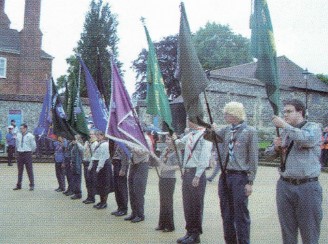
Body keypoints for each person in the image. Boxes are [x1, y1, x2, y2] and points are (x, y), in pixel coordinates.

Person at [267, 99, 322, 244]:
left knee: (309, 231)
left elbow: (307, 140)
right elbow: (268, 154)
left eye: (289, 111)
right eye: (284, 112)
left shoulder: (313, 128)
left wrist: (284, 125)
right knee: (288, 230)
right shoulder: (285, 131)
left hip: (307, 186)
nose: (285, 114)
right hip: (285, 185)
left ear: (300, 112)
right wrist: (276, 147)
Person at [205, 101, 258, 244]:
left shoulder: (250, 131)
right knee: (226, 212)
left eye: (227, 113)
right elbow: (210, 138)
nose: (224, 115)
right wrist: (210, 129)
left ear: (235, 114)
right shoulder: (226, 130)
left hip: (240, 177)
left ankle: (244, 241)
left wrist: (250, 181)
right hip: (225, 175)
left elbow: (253, 158)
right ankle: (230, 241)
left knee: (240, 213)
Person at [173, 118, 212, 244]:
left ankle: (195, 234)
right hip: (187, 172)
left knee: (196, 205)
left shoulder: (205, 135)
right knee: (187, 204)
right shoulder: (190, 135)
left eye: (190, 120)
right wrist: (174, 138)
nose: (188, 122)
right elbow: (179, 145)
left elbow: (204, 157)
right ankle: (189, 231)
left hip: (196, 173)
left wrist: (198, 175)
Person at [124, 132, 153, 223]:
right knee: (132, 190)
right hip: (133, 165)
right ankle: (134, 212)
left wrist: (130, 146)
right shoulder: (134, 137)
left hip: (142, 165)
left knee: (139, 191)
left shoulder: (146, 139)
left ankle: (140, 215)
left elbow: (142, 151)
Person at [153, 135, 180, 233]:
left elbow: (179, 165)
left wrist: (168, 168)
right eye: (167, 139)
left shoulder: (176, 152)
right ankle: (162, 224)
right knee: (162, 201)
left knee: (168, 202)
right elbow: (161, 160)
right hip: (162, 177)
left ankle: (170, 225)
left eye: (169, 139)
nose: (167, 141)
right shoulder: (165, 150)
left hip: (170, 178)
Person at [88, 130, 113, 209]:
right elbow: (95, 155)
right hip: (99, 164)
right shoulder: (100, 144)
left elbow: (103, 157)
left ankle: (104, 202)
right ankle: (101, 201)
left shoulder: (105, 144)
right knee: (99, 185)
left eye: (99, 135)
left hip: (104, 166)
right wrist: (91, 165)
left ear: (103, 136)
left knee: (104, 184)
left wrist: (98, 168)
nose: (97, 136)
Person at [13, 123, 36, 191]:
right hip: (20, 153)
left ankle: (32, 185)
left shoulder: (30, 136)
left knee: (29, 170)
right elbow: (17, 143)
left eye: (22, 128)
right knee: (20, 170)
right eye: (20, 128)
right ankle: (19, 185)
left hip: (27, 153)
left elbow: (33, 145)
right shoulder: (18, 135)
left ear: (25, 128)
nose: (21, 129)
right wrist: (17, 150)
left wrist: (31, 151)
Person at [110, 141, 129, 217]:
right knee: (116, 187)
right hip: (116, 163)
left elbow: (125, 155)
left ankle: (124, 209)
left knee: (121, 187)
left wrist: (123, 168)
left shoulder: (123, 141)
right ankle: (119, 207)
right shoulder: (115, 141)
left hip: (120, 164)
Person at [82, 129, 98, 204]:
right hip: (85, 162)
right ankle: (89, 196)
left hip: (91, 163)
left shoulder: (95, 144)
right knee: (87, 181)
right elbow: (83, 150)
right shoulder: (87, 142)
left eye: (92, 134)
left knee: (91, 181)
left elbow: (95, 155)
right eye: (90, 134)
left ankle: (92, 197)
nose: (91, 135)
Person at [69, 134, 84, 200]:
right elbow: (69, 148)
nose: (73, 140)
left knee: (77, 178)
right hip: (74, 163)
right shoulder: (74, 145)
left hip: (77, 163)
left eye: (75, 139)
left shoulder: (79, 145)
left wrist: (77, 143)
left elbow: (82, 150)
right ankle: (75, 192)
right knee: (74, 178)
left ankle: (78, 193)